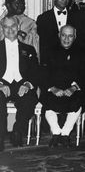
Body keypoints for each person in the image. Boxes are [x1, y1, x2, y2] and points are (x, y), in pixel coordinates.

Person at [42, 25, 85, 148]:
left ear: (75, 37)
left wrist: (74, 88)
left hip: (73, 90)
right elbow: (43, 74)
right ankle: (56, 132)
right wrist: (53, 88)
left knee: (78, 101)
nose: (66, 39)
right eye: (63, 35)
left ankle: (65, 134)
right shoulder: (49, 51)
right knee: (47, 101)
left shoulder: (82, 53)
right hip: (53, 89)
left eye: (70, 36)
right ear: (59, 35)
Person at [0, 16, 39, 151]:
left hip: (21, 83)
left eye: (13, 26)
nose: (10, 29)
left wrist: (27, 84)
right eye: (6, 26)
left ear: (18, 28)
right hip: (2, 84)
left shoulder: (29, 49)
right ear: (2, 28)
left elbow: (35, 72)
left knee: (29, 99)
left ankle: (17, 132)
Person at [37, 0, 73, 66]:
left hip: (71, 62)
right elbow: (42, 44)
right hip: (51, 63)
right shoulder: (43, 18)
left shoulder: (76, 17)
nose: (64, 0)